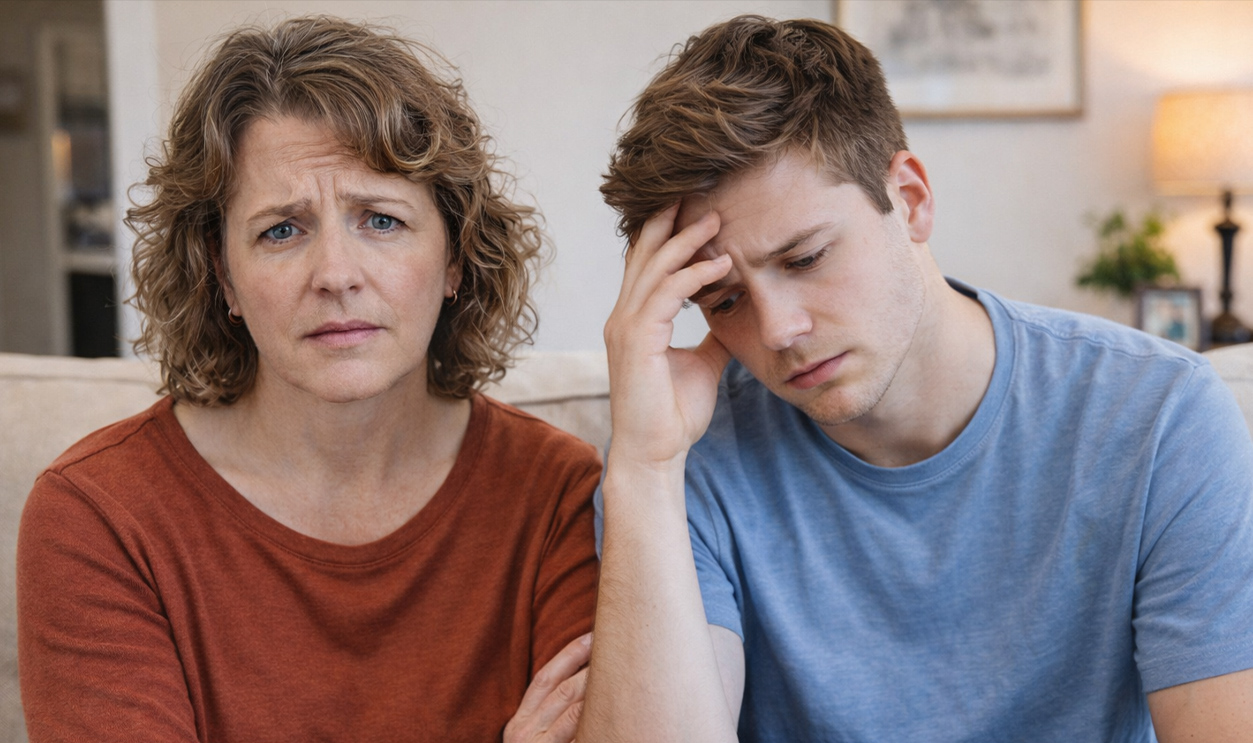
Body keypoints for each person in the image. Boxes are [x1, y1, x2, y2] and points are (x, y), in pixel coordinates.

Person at [582, 14, 1253, 743]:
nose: (777, 330)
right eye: (724, 301)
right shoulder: (680, 462)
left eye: (805, 258)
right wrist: (645, 468)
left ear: (909, 199)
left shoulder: (1159, 415)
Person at [18, 17, 596, 743]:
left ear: (455, 255)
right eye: (281, 230)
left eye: (380, 220)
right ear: (222, 275)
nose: (335, 275)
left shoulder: (558, 493)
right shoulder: (100, 514)